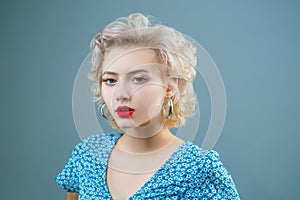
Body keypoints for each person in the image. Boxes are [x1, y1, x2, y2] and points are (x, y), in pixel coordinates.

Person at [55, 13, 240, 200]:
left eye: (138, 79)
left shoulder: (202, 169)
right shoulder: (87, 155)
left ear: (169, 87)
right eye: (110, 80)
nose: (121, 94)